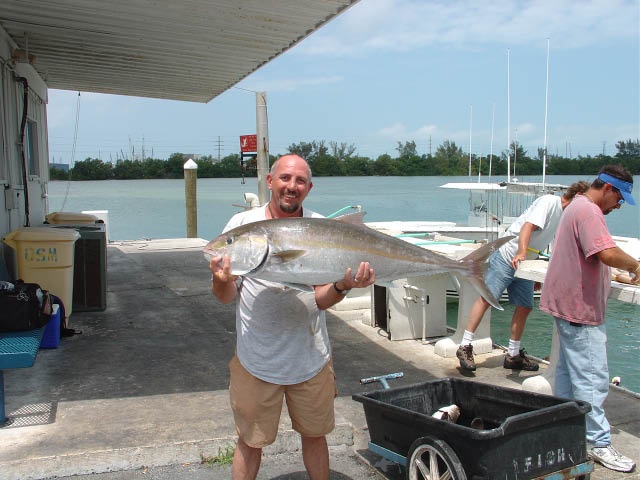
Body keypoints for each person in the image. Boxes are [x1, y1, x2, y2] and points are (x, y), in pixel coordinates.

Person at [209, 154, 375, 480]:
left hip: (310, 358)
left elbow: (320, 299)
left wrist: (344, 284)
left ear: (309, 188)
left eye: (299, 181)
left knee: (315, 436)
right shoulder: (242, 228)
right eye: (284, 178)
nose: (291, 186)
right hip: (256, 360)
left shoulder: (321, 226)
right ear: (270, 182)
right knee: (249, 442)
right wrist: (221, 278)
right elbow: (225, 296)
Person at [540, 165, 638, 473]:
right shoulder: (591, 212)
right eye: (620, 198)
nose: (619, 205)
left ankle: (567, 435)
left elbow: (594, 259)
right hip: (580, 311)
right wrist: (637, 266)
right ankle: (598, 443)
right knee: (593, 381)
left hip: (566, 306)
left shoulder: (577, 204)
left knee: (569, 380)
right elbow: (605, 252)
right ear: (607, 189)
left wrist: (617, 274)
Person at [456, 181, 590, 372]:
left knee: (525, 307)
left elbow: (547, 241)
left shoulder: (565, 215)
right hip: (508, 256)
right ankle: (465, 346)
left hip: (524, 263)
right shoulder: (549, 202)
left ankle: (513, 355)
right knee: (487, 299)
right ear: (577, 197)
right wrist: (521, 252)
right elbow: (527, 227)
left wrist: (532, 268)